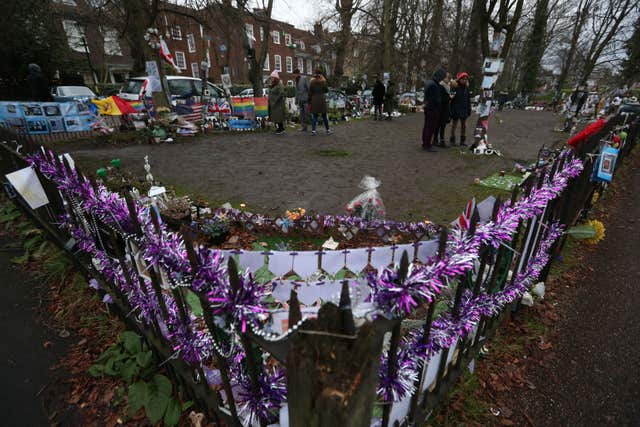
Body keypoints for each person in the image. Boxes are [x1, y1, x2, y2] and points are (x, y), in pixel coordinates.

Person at [422, 68, 447, 151]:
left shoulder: (429, 83)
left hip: (428, 107)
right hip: (433, 108)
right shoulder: (434, 85)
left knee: (427, 126)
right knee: (430, 127)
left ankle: (425, 142)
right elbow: (436, 99)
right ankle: (427, 144)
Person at [449, 71, 471, 147]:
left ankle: (462, 141)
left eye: (466, 79)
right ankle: (452, 139)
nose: (464, 80)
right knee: (454, 125)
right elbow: (451, 99)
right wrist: (451, 110)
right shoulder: (455, 87)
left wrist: (469, 109)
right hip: (456, 109)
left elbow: (468, 100)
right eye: (463, 79)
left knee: (464, 125)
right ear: (459, 79)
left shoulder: (466, 89)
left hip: (464, 109)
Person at [309, 68, 332, 135]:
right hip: (322, 99)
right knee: (324, 115)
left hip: (314, 99)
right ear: (321, 74)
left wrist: (309, 101)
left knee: (315, 116)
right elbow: (326, 90)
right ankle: (328, 130)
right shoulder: (323, 82)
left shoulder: (312, 82)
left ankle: (313, 130)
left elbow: (310, 92)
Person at [434, 72, 452, 147]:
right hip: (441, 109)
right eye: (447, 78)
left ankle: (441, 140)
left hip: (445, 109)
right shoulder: (441, 86)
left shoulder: (447, 86)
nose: (448, 79)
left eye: (449, 78)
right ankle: (436, 140)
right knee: (438, 125)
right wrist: (449, 97)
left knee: (443, 125)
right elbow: (442, 98)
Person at [268, 70, 286, 135]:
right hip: (274, 104)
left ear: (275, 78)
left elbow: (281, 93)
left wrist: (276, 100)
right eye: (271, 77)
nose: (271, 79)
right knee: (276, 117)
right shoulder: (274, 85)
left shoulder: (279, 85)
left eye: (272, 77)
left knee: (279, 117)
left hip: (278, 104)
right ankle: (280, 129)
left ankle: (281, 129)